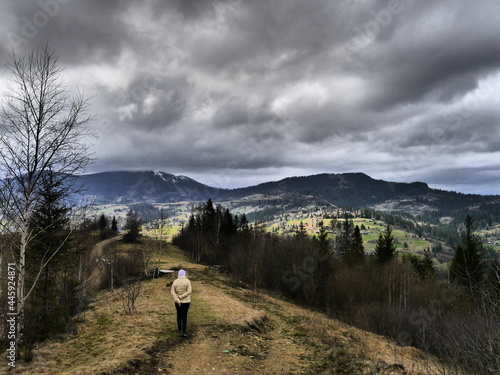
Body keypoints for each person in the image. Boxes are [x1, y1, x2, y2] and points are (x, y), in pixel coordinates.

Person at [170, 269, 192, 337]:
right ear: (184, 274)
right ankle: (184, 331)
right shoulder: (187, 281)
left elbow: (172, 291)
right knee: (184, 315)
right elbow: (189, 291)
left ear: (178, 274)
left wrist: (177, 298)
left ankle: (179, 328)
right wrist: (181, 297)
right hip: (186, 302)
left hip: (177, 302)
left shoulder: (175, 282)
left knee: (179, 314)